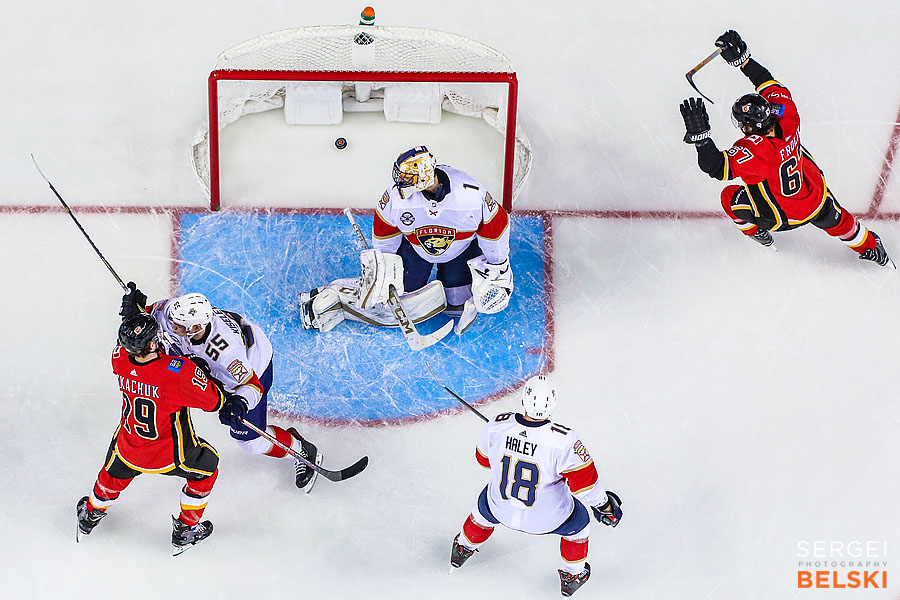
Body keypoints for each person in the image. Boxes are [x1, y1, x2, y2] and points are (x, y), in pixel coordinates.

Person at [679, 30, 892, 267]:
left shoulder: (754, 151)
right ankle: (872, 246)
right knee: (840, 221)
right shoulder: (785, 112)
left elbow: (716, 167)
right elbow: (766, 80)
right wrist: (744, 61)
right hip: (813, 195)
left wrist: (701, 138)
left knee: (729, 197)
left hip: (781, 217)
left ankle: (757, 233)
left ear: (749, 127)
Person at [119, 283, 323, 491]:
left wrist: (239, 403)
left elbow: (252, 386)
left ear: (196, 328)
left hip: (253, 370)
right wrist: (134, 314)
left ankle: (300, 449)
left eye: (177, 325)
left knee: (249, 442)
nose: (170, 324)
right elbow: (151, 315)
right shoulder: (174, 311)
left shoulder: (226, 354)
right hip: (213, 361)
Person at [299, 145, 514, 335]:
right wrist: (383, 266)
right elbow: (385, 232)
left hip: (462, 250)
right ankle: (332, 294)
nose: (400, 182)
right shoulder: (396, 199)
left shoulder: (470, 195)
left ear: (423, 177)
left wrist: (498, 269)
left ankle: (455, 281)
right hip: (415, 250)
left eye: (406, 178)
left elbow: (496, 229)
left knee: (456, 303)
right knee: (398, 298)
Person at [449, 375, 623, 597]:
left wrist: (505, 443)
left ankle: (463, 547)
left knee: (485, 504)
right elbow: (586, 487)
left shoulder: (498, 424)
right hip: (548, 518)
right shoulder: (564, 440)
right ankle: (573, 575)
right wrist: (605, 506)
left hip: (501, 508)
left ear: (524, 401)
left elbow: (482, 460)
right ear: (553, 404)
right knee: (579, 525)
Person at [76, 313, 227, 555]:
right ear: (153, 343)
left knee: (112, 474)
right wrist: (202, 374)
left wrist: (131, 317)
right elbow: (215, 401)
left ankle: (90, 514)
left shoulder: (119, 360)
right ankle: (186, 528)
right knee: (208, 466)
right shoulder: (180, 373)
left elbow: (129, 352)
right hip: (171, 457)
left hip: (129, 448)